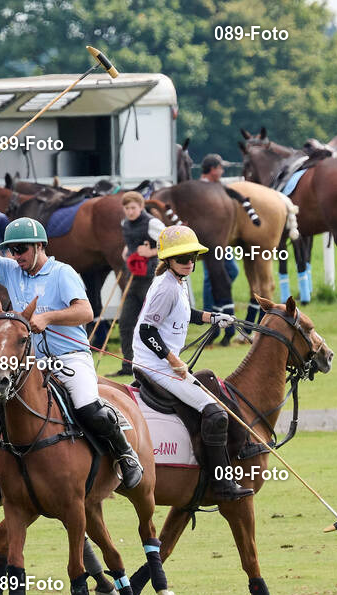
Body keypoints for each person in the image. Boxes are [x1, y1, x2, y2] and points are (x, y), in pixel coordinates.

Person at [0, 182, 143, 507]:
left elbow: (86, 311)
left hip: (71, 356)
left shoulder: (62, 273)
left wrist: (48, 319)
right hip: (32, 363)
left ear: (39, 247)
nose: (14, 256)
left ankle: (125, 455)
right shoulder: (11, 270)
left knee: (88, 406)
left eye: (21, 249)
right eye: (10, 250)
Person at [132, 225, 253, 501]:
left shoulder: (178, 282)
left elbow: (184, 314)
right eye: (182, 259)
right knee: (216, 412)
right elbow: (146, 331)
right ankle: (222, 484)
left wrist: (213, 317)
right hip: (155, 367)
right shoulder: (166, 288)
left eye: (192, 258)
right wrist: (173, 360)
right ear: (168, 261)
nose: (189, 263)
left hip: (163, 364)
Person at [113, 191, 165, 376]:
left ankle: (160, 363)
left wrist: (150, 252)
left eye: (133, 208)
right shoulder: (125, 224)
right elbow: (131, 242)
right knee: (126, 322)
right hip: (132, 277)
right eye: (126, 208)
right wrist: (128, 250)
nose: (130, 211)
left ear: (141, 207)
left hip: (151, 278)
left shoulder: (152, 223)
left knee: (151, 323)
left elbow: (170, 242)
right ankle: (129, 365)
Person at [199, 156, 240, 340]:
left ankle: (217, 306)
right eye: (220, 168)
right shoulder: (200, 189)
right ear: (212, 169)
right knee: (211, 277)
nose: (222, 172)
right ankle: (210, 315)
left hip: (221, 239)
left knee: (232, 270)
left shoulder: (217, 187)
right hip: (209, 240)